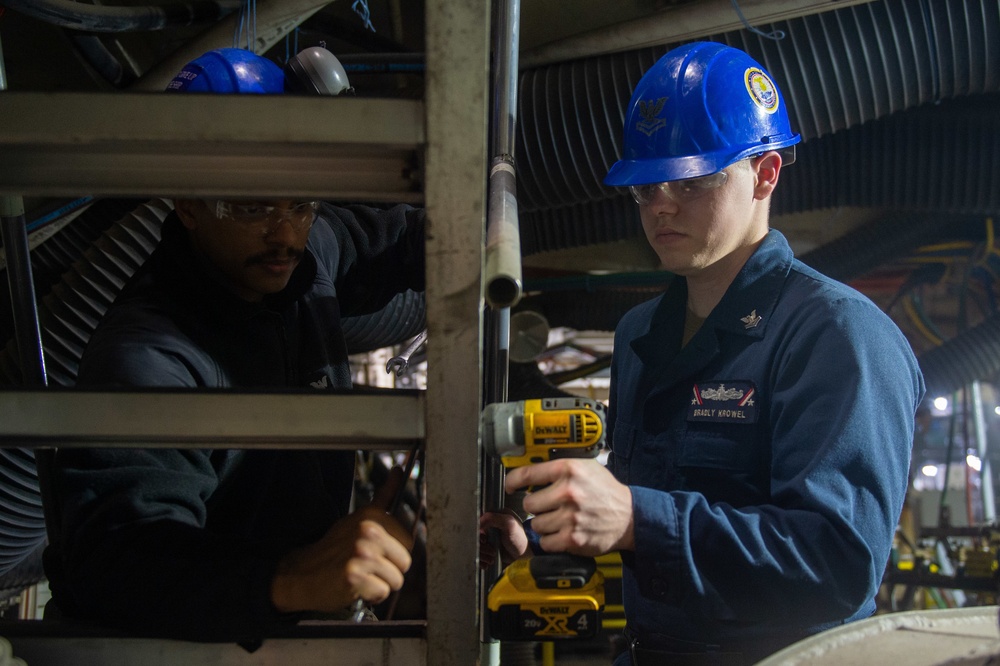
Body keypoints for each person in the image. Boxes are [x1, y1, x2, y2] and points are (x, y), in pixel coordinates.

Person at [482, 41, 924, 665]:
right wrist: (547, 535)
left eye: (690, 180)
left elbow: (837, 564)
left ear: (765, 173)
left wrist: (639, 520)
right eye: (646, 187)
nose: (661, 205)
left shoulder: (836, 336)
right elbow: (648, 504)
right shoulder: (643, 334)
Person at [42, 47, 423, 644]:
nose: (284, 233)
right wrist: (292, 580)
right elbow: (117, 564)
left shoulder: (306, 257)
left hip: (298, 630)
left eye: (299, 203)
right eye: (252, 207)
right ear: (187, 200)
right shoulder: (151, 360)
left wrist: (477, 225)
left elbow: (398, 242)